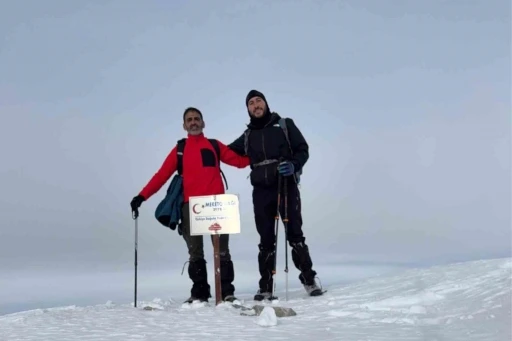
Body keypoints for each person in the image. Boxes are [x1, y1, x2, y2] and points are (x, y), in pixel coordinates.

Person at [130, 107, 250, 304]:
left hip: (218, 205)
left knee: (222, 251)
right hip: (191, 207)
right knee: (195, 252)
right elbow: (162, 175)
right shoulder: (180, 149)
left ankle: (227, 292)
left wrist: (263, 157)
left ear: (203, 123)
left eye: (197, 119)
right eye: (189, 120)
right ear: (184, 125)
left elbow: (238, 161)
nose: (193, 122)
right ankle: (200, 293)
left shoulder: (214, 145)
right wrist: (142, 196)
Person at [228, 90, 323, 301]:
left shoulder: (284, 124)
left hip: (285, 185)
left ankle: (309, 279)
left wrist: (294, 164)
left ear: (266, 103)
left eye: (258, 101)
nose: (255, 105)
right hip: (261, 191)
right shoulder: (247, 136)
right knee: (265, 239)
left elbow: (302, 148)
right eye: (251, 103)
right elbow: (225, 152)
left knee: (295, 234)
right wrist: (205, 150)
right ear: (248, 109)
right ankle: (266, 286)